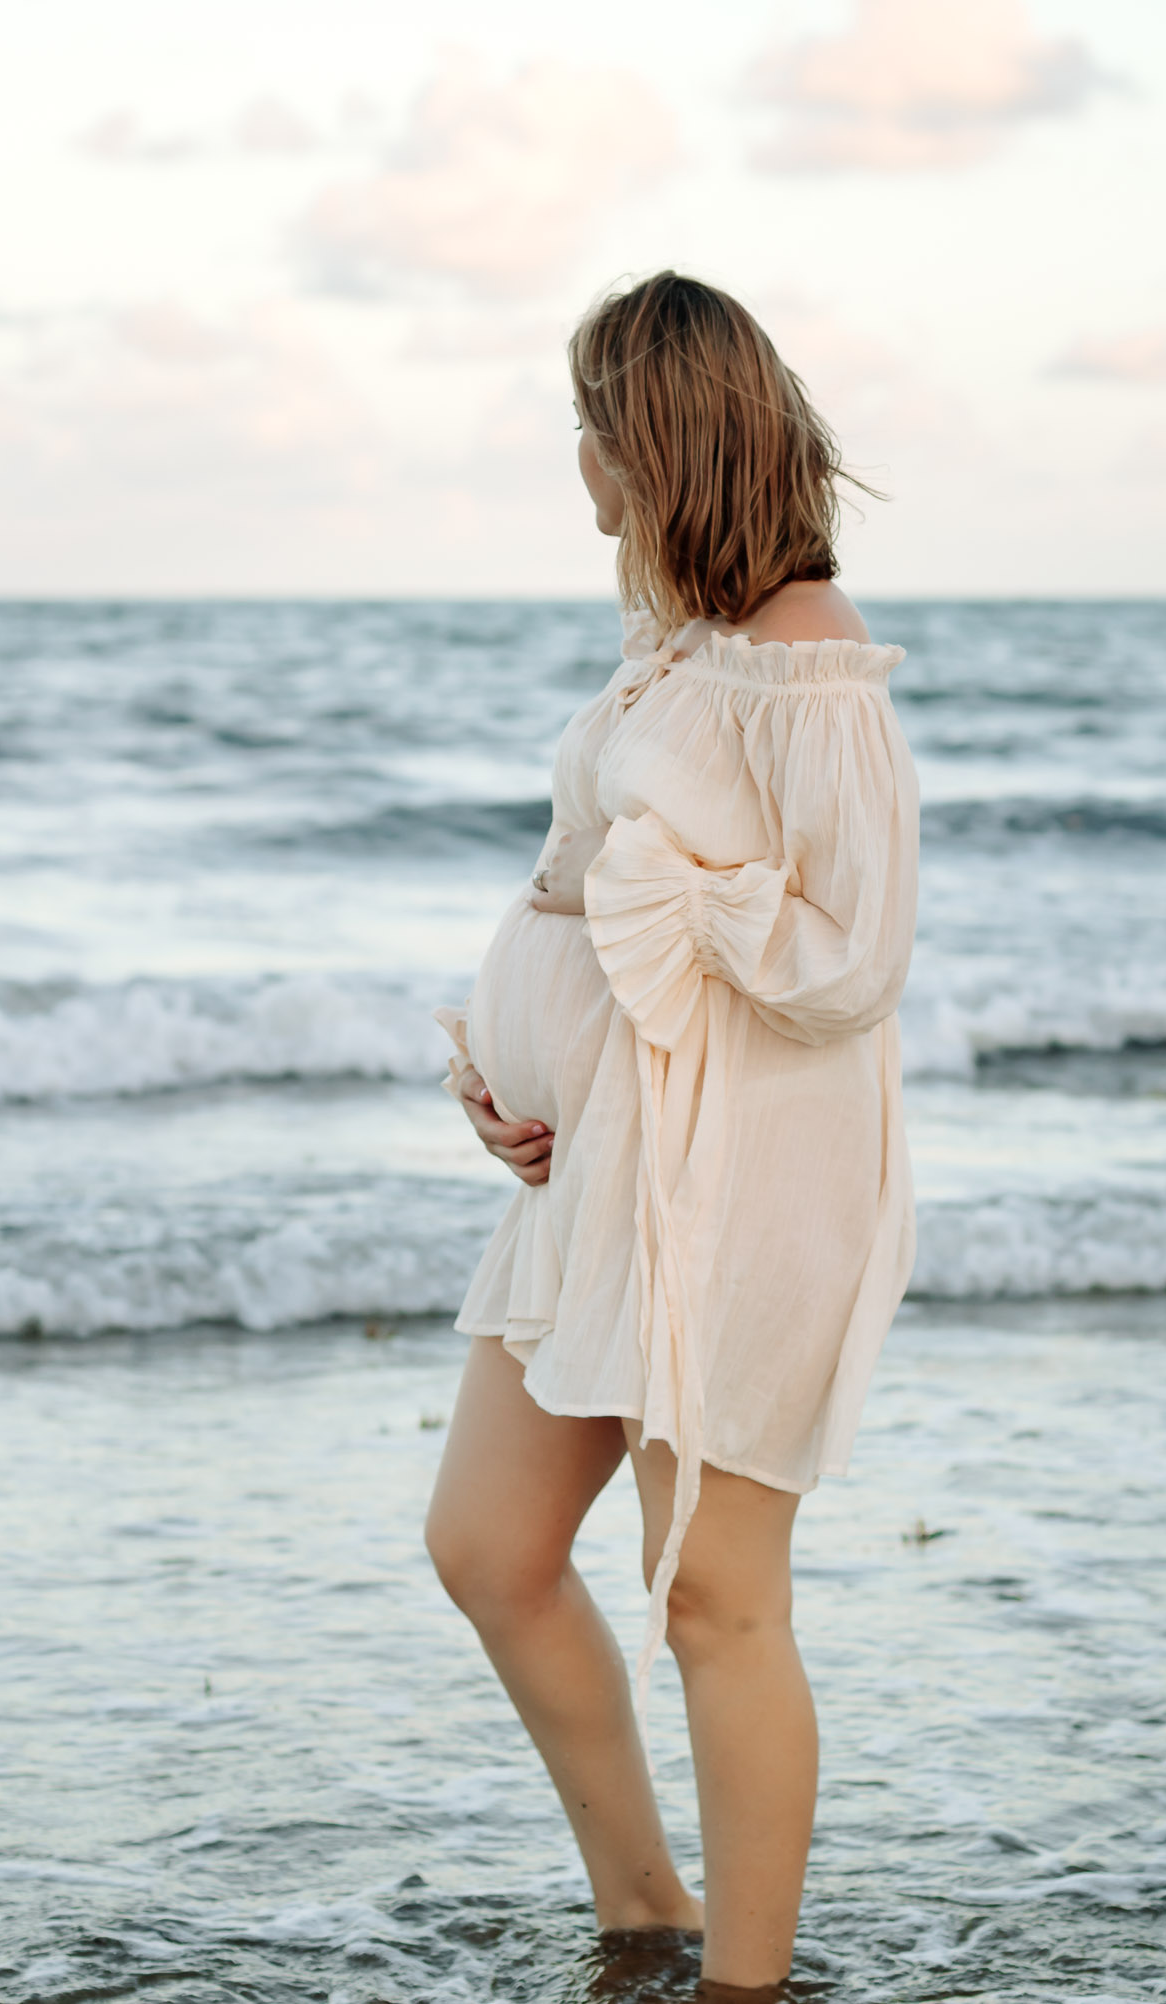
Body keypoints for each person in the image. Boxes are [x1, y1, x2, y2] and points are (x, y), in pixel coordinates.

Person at [425, 271, 919, 1999]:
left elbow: (850, 956)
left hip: (738, 1177)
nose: (575, 459)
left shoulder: (803, 652)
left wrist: (670, 902)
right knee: (487, 1549)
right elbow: (574, 889)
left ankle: (745, 1987)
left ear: (654, 436)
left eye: (588, 421)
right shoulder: (676, 647)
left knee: (714, 1596)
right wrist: (500, 1072)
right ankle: (646, 1917)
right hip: (597, 1174)